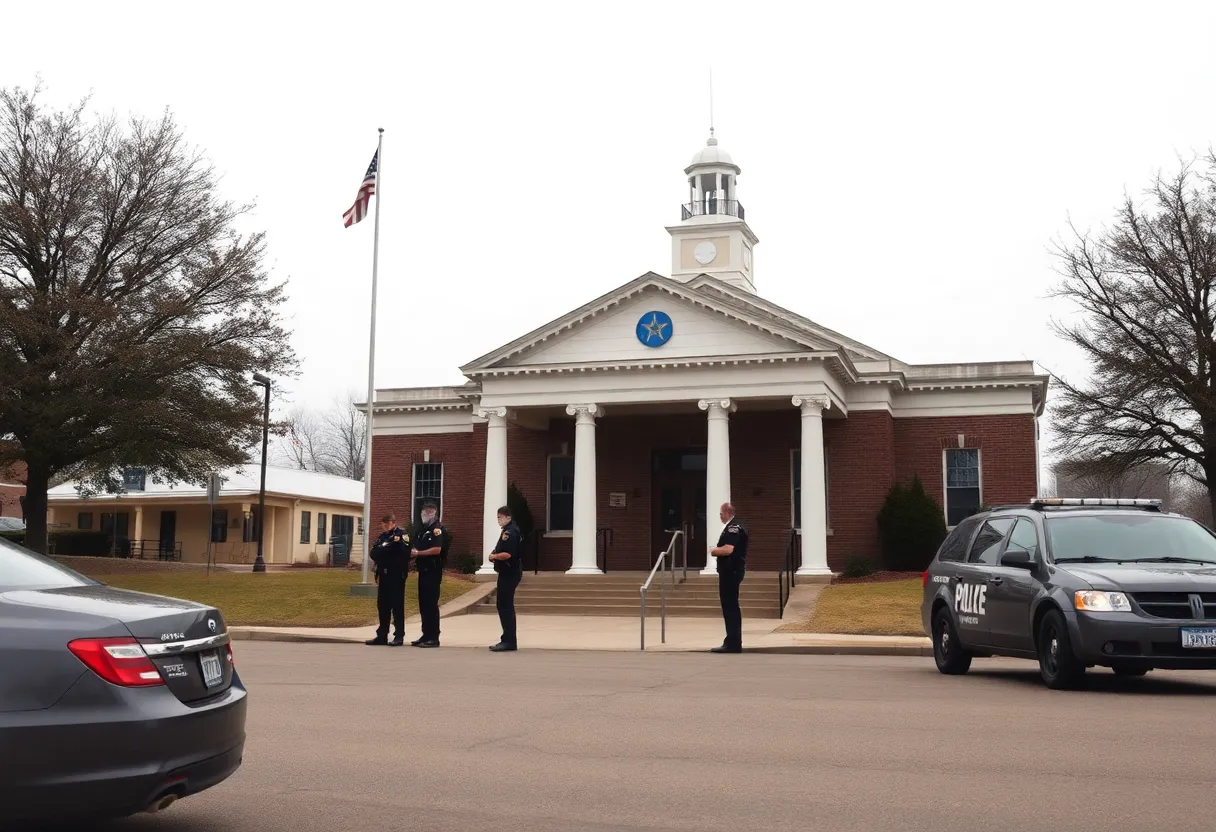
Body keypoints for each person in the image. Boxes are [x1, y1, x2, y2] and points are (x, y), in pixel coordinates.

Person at [707, 502, 748, 653]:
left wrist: (713, 550)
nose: (720, 517)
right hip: (731, 571)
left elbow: (728, 549)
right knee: (730, 607)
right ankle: (732, 640)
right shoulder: (737, 526)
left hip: (731, 572)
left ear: (725, 512)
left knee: (730, 607)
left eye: (720, 514)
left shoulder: (733, 528)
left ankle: (733, 642)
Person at [366, 514, 411, 647]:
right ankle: (382, 635)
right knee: (383, 606)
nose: (385, 526)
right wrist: (387, 549)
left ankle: (399, 636)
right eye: (383, 524)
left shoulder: (401, 535)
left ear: (393, 523)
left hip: (396, 575)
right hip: (383, 575)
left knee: (397, 606)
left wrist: (385, 550)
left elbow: (404, 553)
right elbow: (374, 553)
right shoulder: (382, 537)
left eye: (387, 523)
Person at [410, 499, 448, 647]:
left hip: (433, 570)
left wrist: (419, 553)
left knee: (431, 603)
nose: (424, 514)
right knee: (423, 603)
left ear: (434, 512)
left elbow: (437, 549)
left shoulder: (436, 530)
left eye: (428, 511)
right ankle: (425, 634)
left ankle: (433, 637)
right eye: (423, 511)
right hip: (423, 570)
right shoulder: (423, 531)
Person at [487, 505, 522, 652]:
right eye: (498, 518)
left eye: (500, 517)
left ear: (508, 517)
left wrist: (494, 556)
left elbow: (507, 554)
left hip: (510, 572)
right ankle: (507, 638)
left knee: (505, 605)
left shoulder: (510, 532)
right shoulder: (507, 531)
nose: (498, 520)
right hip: (506, 572)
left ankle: (509, 641)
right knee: (503, 605)